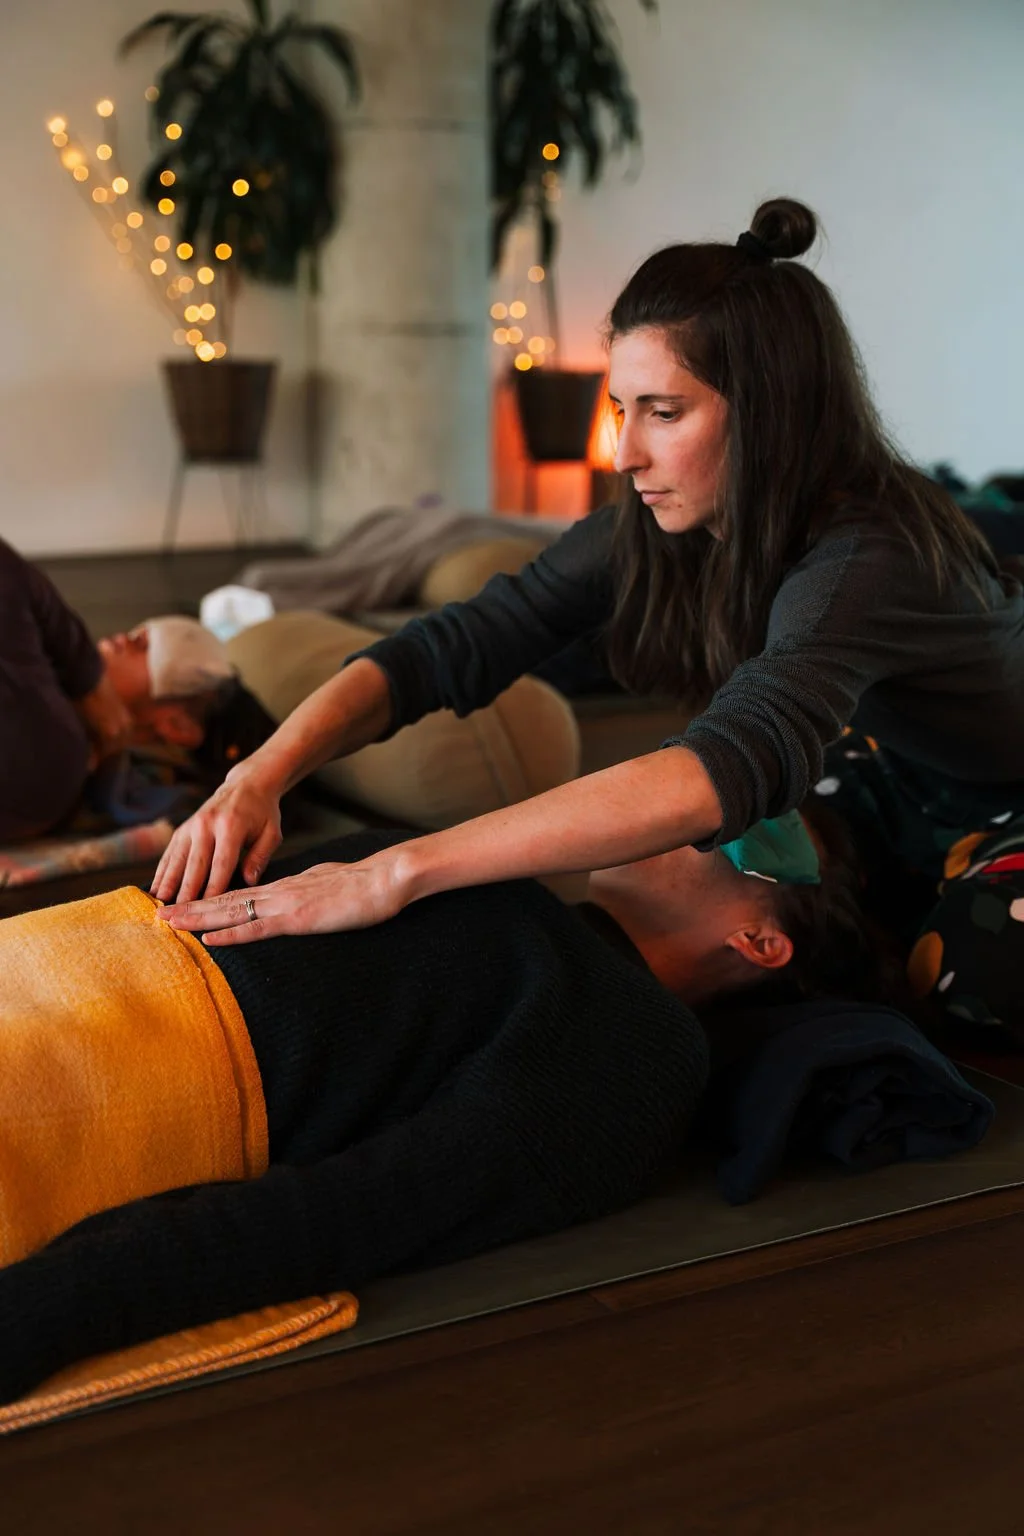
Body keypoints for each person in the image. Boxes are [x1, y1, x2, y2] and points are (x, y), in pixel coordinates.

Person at [152, 197, 1024, 1006]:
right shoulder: (665, 525)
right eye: (621, 408)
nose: (623, 453)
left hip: (1007, 787)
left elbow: (721, 767)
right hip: (885, 763)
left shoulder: (868, 559)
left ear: (771, 414)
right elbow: (452, 646)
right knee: (754, 887)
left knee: (969, 969)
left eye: (664, 412)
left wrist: (395, 872)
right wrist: (256, 777)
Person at [0, 806, 870, 1405]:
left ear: (760, 943)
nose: (694, 814)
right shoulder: (473, 867)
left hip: (88, 1078)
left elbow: (368, 1207)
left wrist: (53, 1304)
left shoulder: (643, 1051)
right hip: (58, 962)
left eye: (743, 830)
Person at [0, 537, 237, 843]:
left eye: (145, 646)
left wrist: (88, 674)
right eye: (135, 632)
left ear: (178, 726)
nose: (125, 638)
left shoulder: (56, 754)